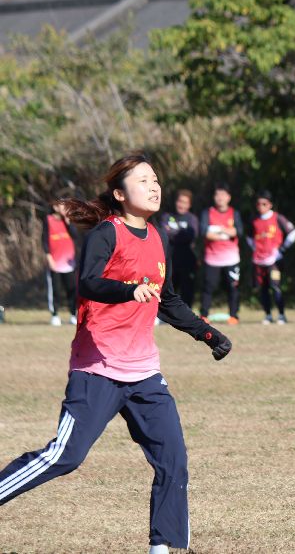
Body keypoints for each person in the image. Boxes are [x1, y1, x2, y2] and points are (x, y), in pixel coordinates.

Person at [0, 153, 232, 554]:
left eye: (155, 179)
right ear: (120, 194)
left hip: (144, 374)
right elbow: (88, 283)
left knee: (173, 461)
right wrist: (128, 289)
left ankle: (163, 548)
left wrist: (207, 334)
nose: (154, 187)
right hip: (99, 368)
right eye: (143, 181)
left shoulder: (158, 237)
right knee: (65, 456)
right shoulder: (106, 234)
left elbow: (167, 300)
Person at [247, 190, 295, 325]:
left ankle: (281, 315)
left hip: (274, 261)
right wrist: (255, 249)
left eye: (264, 204)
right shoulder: (254, 220)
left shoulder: (277, 218)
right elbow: (249, 237)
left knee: (275, 286)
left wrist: (282, 249)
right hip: (259, 261)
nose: (261, 207)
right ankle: (268, 315)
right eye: (258, 204)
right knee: (263, 289)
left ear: (270, 205)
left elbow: (293, 232)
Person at [199, 184, 243, 324]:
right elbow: (204, 232)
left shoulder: (234, 213)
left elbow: (238, 232)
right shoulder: (207, 213)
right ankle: (203, 316)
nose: (220, 198)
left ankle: (234, 316)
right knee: (208, 287)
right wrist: (227, 232)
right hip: (212, 259)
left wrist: (218, 231)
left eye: (223, 195)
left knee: (233, 287)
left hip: (231, 259)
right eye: (217, 194)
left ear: (229, 197)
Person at [158, 189, 200, 308]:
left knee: (187, 291)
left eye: (185, 202)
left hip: (187, 261)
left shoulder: (192, 219)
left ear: (189, 205)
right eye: (180, 201)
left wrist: (172, 232)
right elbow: (163, 234)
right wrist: (180, 234)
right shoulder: (166, 216)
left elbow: (191, 235)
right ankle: (165, 315)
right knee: (168, 291)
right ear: (176, 202)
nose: (182, 205)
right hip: (169, 261)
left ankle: (186, 314)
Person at [42, 199, 80, 326]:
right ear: (55, 207)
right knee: (56, 290)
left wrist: (68, 222)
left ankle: (73, 314)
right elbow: (44, 241)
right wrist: (49, 259)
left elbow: (75, 236)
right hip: (55, 262)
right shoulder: (48, 220)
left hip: (69, 263)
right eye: (62, 205)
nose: (65, 208)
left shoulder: (69, 220)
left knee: (72, 289)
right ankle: (55, 315)